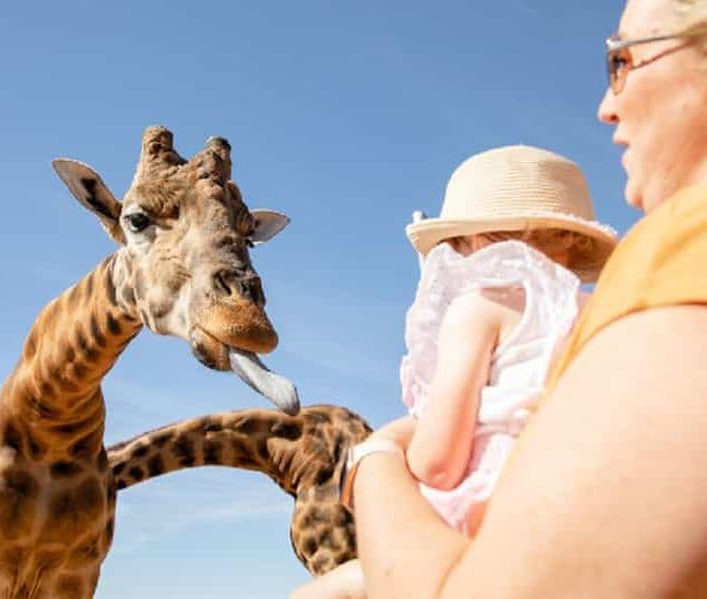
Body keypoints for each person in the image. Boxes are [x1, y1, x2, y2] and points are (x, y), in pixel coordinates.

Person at [344, 1, 707, 597]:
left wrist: (372, 461)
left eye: (622, 61)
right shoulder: (595, 311)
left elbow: (440, 477)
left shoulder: (672, 257)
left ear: (476, 241)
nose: (605, 105)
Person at [290, 145, 617, 599]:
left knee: (318, 594)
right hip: (582, 521)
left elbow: (439, 464)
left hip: (484, 529)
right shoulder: (606, 314)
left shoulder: (481, 307)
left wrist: (392, 448)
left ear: (476, 242)